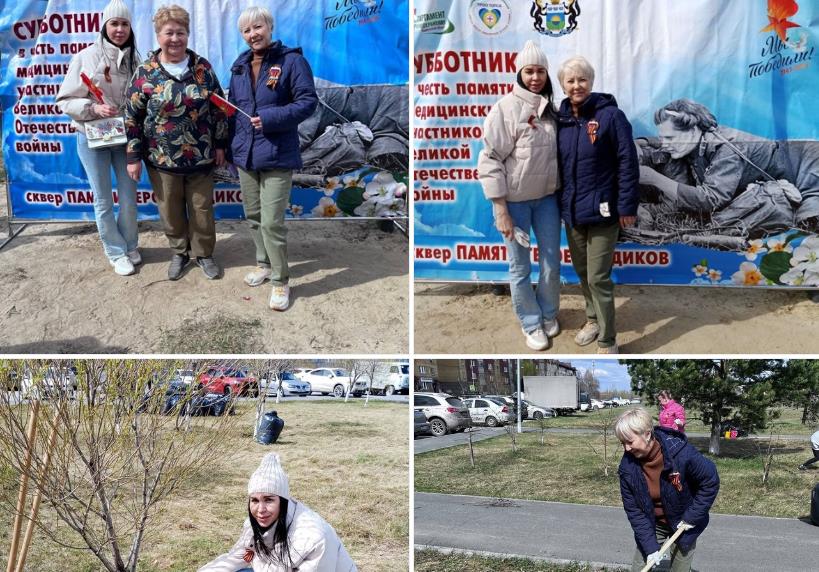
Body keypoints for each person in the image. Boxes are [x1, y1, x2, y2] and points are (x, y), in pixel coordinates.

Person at [124, 4, 228, 281]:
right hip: (161, 159)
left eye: (180, 32)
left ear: (188, 34)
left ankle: (204, 254)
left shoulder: (202, 68)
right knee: (169, 209)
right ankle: (179, 252)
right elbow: (132, 116)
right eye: (169, 32)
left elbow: (218, 107)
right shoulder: (145, 73)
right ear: (158, 35)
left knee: (202, 209)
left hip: (201, 155)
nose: (175, 39)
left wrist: (220, 145)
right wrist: (133, 157)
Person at [228, 6, 318, 311]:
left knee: (272, 222)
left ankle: (281, 282)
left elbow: (308, 102)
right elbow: (233, 109)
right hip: (246, 155)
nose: (253, 34)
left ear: (270, 27)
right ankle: (263, 264)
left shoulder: (292, 61)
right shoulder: (239, 67)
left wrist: (269, 118)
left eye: (258, 27)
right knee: (253, 217)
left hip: (278, 154)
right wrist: (230, 146)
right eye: (246, 30)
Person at [477, 40, 561, 351]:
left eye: (540, 71)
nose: (535, 77)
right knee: (520, 266)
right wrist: (501, 209)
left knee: (551, 262)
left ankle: (549, 312)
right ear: (519, 73)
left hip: (548, 201)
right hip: (515, 204)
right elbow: (490, 159)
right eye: (529, 71)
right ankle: (530, 321)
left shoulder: (551, 110)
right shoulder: (505, 108)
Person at [637, 98, 819, 235]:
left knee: (806, 226)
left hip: (803, 169)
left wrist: (655, 179)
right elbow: (663, 142)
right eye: (662, 137)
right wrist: (642, 142)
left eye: (669, 138)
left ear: (693, 130)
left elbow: (712, 199)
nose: (664, 143)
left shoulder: (728, 148)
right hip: (781, 169)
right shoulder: (695, 139)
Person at [556, 56, 639, 354]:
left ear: (591, 82)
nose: (576, 85)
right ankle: (592, 319)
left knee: (598, 277)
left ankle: (608, 338)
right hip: (573, 213)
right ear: (562, 85)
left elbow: (628, 162)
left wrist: (627, 207)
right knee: (582, 273)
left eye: (582, 79)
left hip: (604, 211)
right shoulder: (560, 120)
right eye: (570, 80)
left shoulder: (611, 117)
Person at [56, 0, 141, 276]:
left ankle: (129, 244)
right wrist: (93, 108)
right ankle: (115, 252)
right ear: (104, 26)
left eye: (124, 24)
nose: (119, 29)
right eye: (114, 23)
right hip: (91, 139)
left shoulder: (136, 59)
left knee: (129, 197)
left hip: (124, 138)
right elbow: (65, 100)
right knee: (103, 199)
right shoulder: (85, 56)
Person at [198, 453, 356, 571]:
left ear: (283, 501)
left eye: (268, 500)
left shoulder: (313, 537)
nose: (260, 510)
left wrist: (257, 562)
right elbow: (241, 556)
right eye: (255, 500)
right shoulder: (254, 526)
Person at [616, 408, 719, 572]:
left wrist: (692, 517)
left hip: (683, 521)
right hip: (652, 522)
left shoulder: (681, 453)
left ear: (647, 434)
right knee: (639, 568)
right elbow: (634, 510)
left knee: (680, 569)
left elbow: (710, 481)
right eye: (622, 443)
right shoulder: (628, 468)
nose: (626, 449)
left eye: (630, 442)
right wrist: (650, 548)